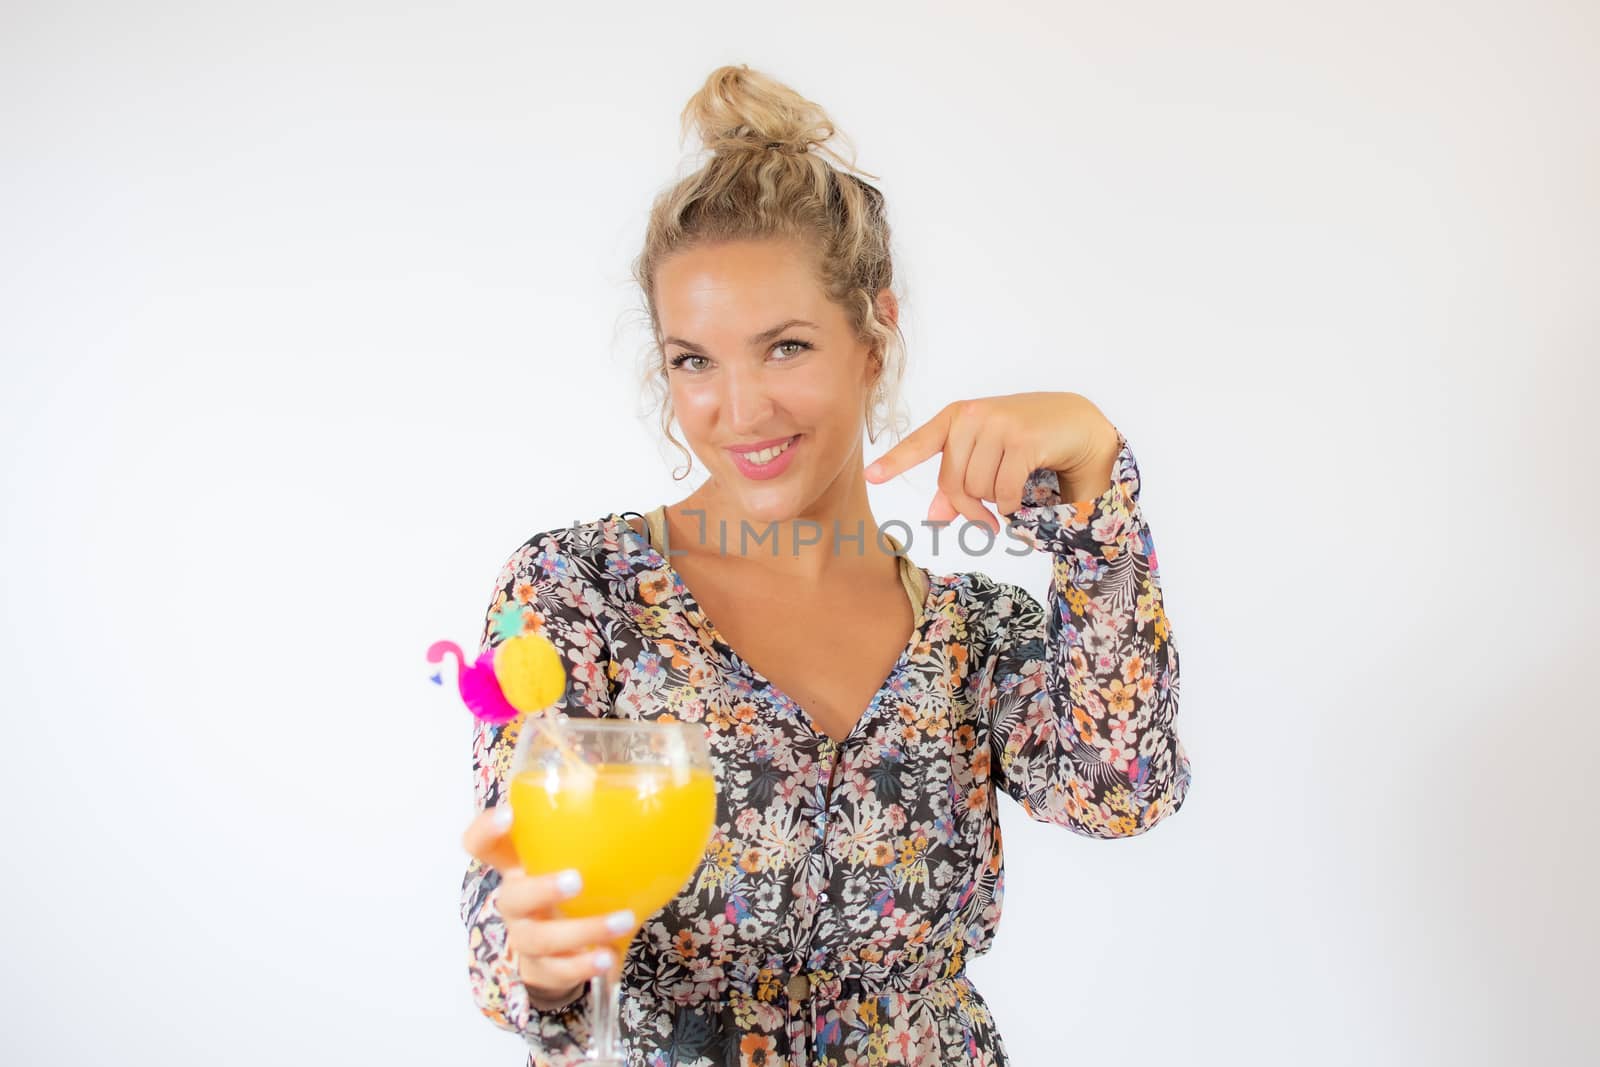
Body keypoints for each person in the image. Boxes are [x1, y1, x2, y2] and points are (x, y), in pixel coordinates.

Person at [458, 63, 1191, 1067]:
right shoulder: (575, 595)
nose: (741, 408)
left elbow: (1121, 790)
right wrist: (535, 958)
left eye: (786, 346)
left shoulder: (973, 632)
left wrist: (1097, 491)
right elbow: (513, 906)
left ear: (873, 339)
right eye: (694, 360)